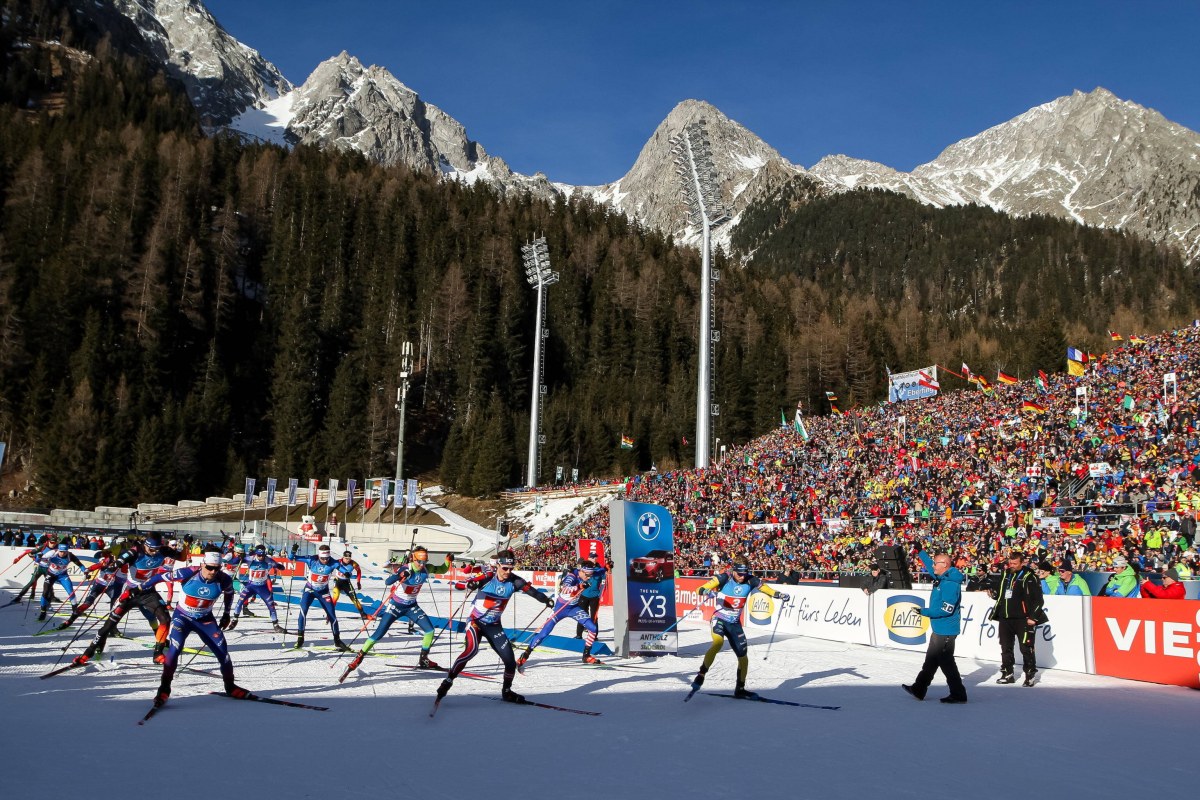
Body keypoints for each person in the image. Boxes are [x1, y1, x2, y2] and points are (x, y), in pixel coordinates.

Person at [435, 550, 553, 705]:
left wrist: (546, 600)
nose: (508, 572)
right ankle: (448, 682)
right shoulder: (488, 577)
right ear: (498, 565)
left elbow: (533, 592)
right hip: (476, 621)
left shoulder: (514, 581)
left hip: (494, 625)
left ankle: (507, 692)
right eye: (505, 568)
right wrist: (471, 584)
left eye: (511, 569)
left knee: (510, 662)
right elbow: (465, 583)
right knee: (471, 650)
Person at [136, 548, 246, 708]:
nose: (213, 571)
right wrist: (140, 588)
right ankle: (164, 688)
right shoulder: (188, 572)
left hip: (205, 619)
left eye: (217, 568)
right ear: (202, 564)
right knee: (174, 650)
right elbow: (160, 577)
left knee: (224, 653)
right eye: (209, 567)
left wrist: (226, 614)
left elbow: (230, 594)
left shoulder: (224, 579)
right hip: (183, 618)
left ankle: (230, 686)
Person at [71, 536, 185, 666]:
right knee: (108, 625)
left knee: (165, 619)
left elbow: (182, 557)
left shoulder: (162, 551)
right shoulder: (135, 551)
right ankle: (87, 653)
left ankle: (158, 654)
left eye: (157, 550)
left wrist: (186, 544)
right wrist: (113, 564)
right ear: (145, 545)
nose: (154, 552)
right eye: (152, 549)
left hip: (148, 593)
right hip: (129, 593)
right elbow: (118, 562)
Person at [342, 546, 454, 677]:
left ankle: (424, 659)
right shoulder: (406, 568)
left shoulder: (426, 569)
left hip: (411, 606)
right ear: (414, 558)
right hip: (396, 606)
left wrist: (448, 561)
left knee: (430, 630)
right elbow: (388, 582)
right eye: (419, 562)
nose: (421, 565)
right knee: (379, 634)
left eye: (424, 562)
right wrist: (401, 575)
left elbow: (442, 569)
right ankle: (358, 659)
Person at [690, 562, 790, 699]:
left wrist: (779, 594)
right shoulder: (724, 578)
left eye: (745, 573)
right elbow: (699, 589)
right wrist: (707, 592)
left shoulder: (751, 579)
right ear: (734, 571)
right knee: (718, 643)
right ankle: (701, 674)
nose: (742, 577)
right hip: (719, 619)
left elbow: (766, 589)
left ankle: (740, 689)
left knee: (743, 657)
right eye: (740, 574)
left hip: (734, 624)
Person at [902, 548, 967, 703]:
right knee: (931, 661)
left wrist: (924, 612)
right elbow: (931, 567)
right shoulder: (943, 577)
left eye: (936, 563)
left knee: (947, 663)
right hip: (939, 629)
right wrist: (920, 551)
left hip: (945, 630)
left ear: (944, 565)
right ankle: (919, 688)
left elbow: (946, 609)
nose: (933, 567)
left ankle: (958, 694)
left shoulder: (950, 583)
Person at [518, 559, 608, 670]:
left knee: (593, 628)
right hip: (560, 608)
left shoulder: (587, 573)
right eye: (587, 575)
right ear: (581, 571)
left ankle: (586, 656)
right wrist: (579, 587)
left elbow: (599, 572)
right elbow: (564, 589)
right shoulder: (572, 576)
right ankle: (525, 655)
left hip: (573, 608)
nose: (589, 577)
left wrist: (607, 567)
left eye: (590, 575)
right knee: (544, 633)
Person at [988, 552, 1044, 687]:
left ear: (1022, 563)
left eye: (1015, 563)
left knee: (1026, 647)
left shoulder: (1030, 576)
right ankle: (1007, 673)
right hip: (1005, 617)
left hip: (1023, 619)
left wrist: (1033, 617)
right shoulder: (1005, 574)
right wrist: (994, 594)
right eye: (1010, 563)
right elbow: (1002, 593)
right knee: (1005, 647)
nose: (1011, 566)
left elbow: (1038, 600)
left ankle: (1030, 674)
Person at [292, 544, 349, 650]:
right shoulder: (312, 560)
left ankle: (337, 640)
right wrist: (293, 551)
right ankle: (300, 638)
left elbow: (343, 569)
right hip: (309, 590)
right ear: (319, 556)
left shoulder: (333, 562)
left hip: (323, 592)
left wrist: (347, 573)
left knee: (332, 615)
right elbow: (292, 558)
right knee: (303, 612)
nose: (325, 560)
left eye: (327, 558)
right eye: (322, 558)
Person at [57, 551, 123, 629]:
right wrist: (86, 572)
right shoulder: (104, 561)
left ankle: (112, 628)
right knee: (87, 603)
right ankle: (69, 621)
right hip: (99, 585)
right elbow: (94, 567)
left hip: (111, 587)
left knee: (116, 605)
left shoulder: (119, 562)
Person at [225, 545, 285, 632]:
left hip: (262, 587)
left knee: (271, 605)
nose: (261, 557)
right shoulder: (250, 558)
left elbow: (280, 567)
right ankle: (234, 620)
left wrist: (279, 566)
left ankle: (276, 625)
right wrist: (239, 558)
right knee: (240, 601)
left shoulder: (268, 560)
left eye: (263, 555)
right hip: (251, 586)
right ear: (256, 554)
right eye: (259, 555)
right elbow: (232, 562)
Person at [35, 543, 87, 621]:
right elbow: (38, 561)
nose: (62, 553)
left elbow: (80, 565)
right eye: (61, 551)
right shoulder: (52, 553)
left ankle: (75, 610)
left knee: (71, 592)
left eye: (64, 551)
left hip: (63, 576)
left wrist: (85, 571)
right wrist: (38, 557)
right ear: (58, 550)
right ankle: (43, 612)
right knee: (45, 592)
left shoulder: (70, 555)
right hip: (51, 574)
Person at [6, 539, 55, 605]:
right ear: (48, 542)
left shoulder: (56, 549)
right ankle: (23, 596)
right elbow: (27, 552)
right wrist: (18, 558)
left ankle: (50, 599)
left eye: (54, 543)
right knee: (32, 581)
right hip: (39, 566)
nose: (53, 544)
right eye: (51, 542)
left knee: (49, 584)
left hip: (48, 568)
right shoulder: (42, 547)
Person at [574, 558, 607, 640]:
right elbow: (578, 578)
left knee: (594, 617)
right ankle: (579, 635)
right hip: (584, 596)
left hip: (595, 597)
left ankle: (594, 636)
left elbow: (604, 583)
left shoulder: (598, 572)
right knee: (581, 615)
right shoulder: (583, 571)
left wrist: (600, 594)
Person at [331, 550, 367, 621]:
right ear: (343, 557)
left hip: (347, 582)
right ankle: (329, 614)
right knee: (335, 597)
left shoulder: (353, 564)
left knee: (354, 598)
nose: (347, 560)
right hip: (338, 581)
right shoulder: (338, 562)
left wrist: (358, 582)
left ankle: (363, 614)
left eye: (349, 559)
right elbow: (330, 567)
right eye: (346, 558)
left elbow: (359, 571)